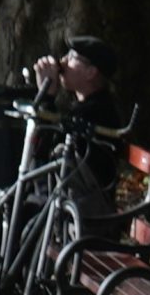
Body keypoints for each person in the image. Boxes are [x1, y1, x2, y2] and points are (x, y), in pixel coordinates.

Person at [28, 35, 129, 219]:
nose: (63, 61)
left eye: (72, 57)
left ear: (91, 72)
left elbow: (43, 154)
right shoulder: (88, 107)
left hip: (71, 210)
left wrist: (47, 96)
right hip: (59, 202)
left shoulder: (96, 113)